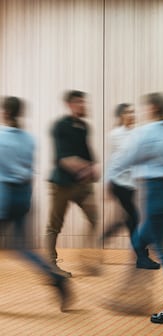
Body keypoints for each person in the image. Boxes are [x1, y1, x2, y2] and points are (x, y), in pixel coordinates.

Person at [107, 93, 163, 323]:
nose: (141, 112)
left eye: (144, 108)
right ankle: (130, 295)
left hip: (156, 194)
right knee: (140, 242)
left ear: (153, 108)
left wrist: (108, 179)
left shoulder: (148, 132)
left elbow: (125, 158)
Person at [0, 96, 72, 311]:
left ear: (5, 112)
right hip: (23, 196)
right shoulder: (29, 139)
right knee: (21, 246)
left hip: (3, 197)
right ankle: (56, 278)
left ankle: (56, 278)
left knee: (17, 246)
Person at [47, 90, 101, 277]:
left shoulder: (84, 127)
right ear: (69, 105)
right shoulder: (59, 126)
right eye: (79, 102)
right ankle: (51, 265)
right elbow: (63, 159)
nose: (83, 105)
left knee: (94, 218)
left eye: (84, 102)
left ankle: (86, 258)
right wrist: (87, 167)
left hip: (81, 185)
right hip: (61, 184)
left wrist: (93, 168)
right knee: (55, 225)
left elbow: (88, 156)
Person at [102, 103, 160, 269]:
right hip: (119, 182)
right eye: (128, 112)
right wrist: (107, 183)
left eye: (133, 111)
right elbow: (112, 160)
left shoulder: (137, 133)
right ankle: (141, 256)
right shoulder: (114, 135)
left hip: (133, 183)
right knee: (134, 219)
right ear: (121, 116)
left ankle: (115, 233)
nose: (132, 114)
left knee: (131, 219)